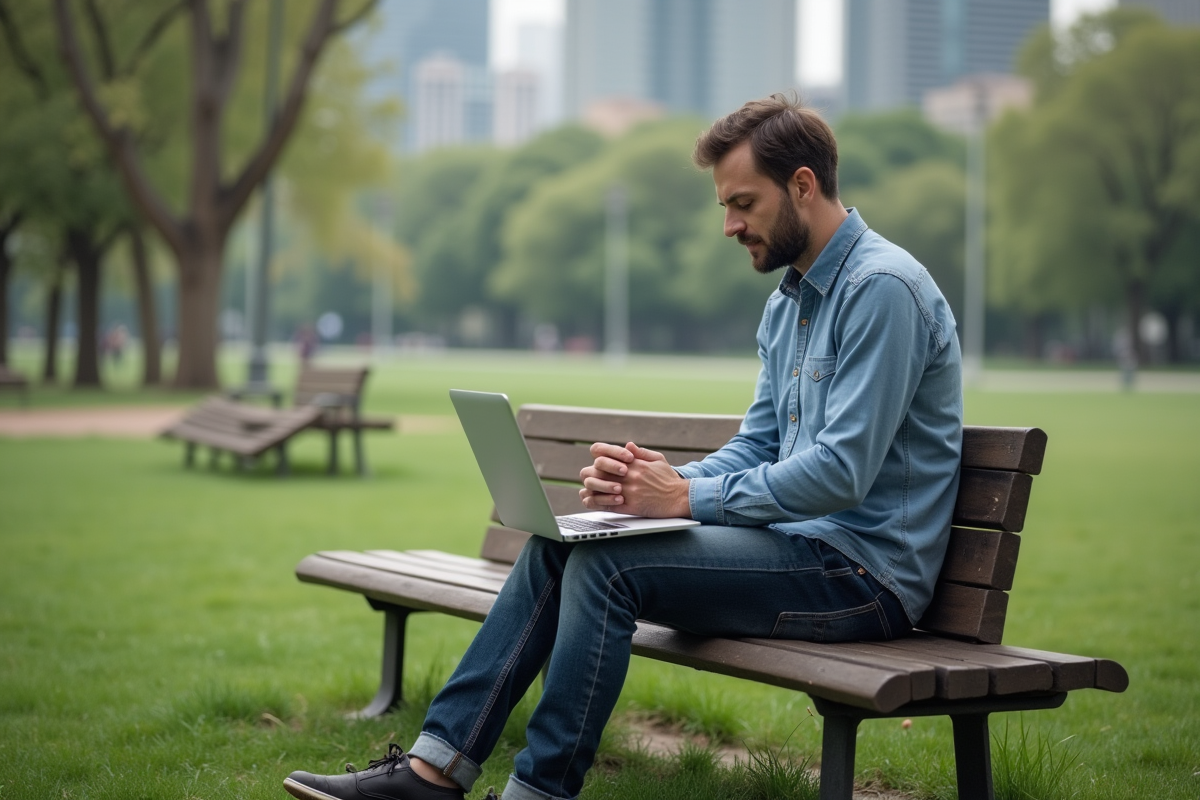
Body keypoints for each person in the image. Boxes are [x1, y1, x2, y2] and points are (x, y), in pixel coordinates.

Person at [283, 94, 962, 800]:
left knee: (609, 570)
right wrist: (653, 487)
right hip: (798, 550)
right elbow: (761, 442)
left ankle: (539, 792)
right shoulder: (788, 303)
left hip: (861, 576)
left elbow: (843, 472)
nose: (729, 225)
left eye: (743, 203)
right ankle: (432, 772)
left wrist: (688, 497)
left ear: (802, 185)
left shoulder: (882, 290)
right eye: (724, 206)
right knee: (563, 542)